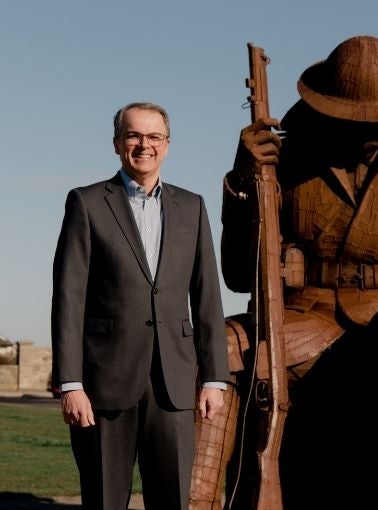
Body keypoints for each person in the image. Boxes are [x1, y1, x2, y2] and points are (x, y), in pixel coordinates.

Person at [193, 35, 378, 509]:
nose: (367, 129)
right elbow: (240, 275)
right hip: (306, 318)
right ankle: (196, 501)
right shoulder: (282, 156)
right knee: (215, 351)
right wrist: (243, 185)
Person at [51, 102, 230, 510]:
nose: (143, 144)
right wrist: (71, 383)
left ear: (167, 145)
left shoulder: (193, 206)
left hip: (174, 384)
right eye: (133, 135)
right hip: (103, 384)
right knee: (105, 500)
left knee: (172, 500)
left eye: (153, 137)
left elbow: (207, 296)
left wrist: (215, 377)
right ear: (117, 143)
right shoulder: (86, 202)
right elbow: (69, 297)